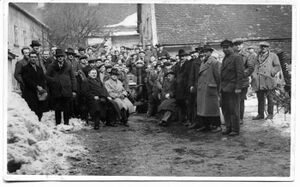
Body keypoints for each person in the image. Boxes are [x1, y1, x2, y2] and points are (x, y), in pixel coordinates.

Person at [45, 49, 77, 125]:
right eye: (58, 56)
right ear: (56, 57)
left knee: (67, 108)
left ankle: (66, 123)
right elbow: (46, 77)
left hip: (67, 90)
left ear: (64, 57)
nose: (60, 58)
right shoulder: (51, 66)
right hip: (56, 90)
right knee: (57, 108)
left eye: (62, 56)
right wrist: (54, 81)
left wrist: (74, 90)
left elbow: (73, 78)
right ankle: (58, 123)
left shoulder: (68, 65)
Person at [251, 41, 282, 120]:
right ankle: (260, 114)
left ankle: (270, 114)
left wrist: (273, 72)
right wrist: (253, 75)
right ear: (260, 48)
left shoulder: (273, 56)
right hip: (259, 81)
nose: (263, 48)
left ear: (268, 48)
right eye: (262, 46)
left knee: (270, 98)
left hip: (269, 80)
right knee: (260, 99)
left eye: (265, 47)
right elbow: (253, 67)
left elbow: (278, 66)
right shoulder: (257, 56)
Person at [220, 39, 244, 136]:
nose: (225, 49)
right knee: (225, 109)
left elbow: (240, 73)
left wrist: (238, 87)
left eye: (227, 47)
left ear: (231, 47)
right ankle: (228, 127)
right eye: (223, 48)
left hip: (233, 87)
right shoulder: (225, 58)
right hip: (224, 88)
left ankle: (235, 129)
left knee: (234, 109)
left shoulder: (237, 57)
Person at [195, 45, 222, 133]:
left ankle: (217, 125)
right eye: (203, 51)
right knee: (204, 108)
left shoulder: (214, 62)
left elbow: (218, 77)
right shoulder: (203, 62)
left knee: (213, 108)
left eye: (207, 51)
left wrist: (219, 88)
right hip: (203, 88)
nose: (204, 53)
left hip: (210, 88)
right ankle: (205, 125)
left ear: (210, 52)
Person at [233, 41, 255, 125]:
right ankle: (234, 118)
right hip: (233, 81)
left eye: (239, 45)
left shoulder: (246, 55)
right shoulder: (231, 55)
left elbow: (250, 68)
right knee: (233, 100)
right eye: (236, 45)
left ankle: (240, 118)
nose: (238, 46)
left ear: (242, 45)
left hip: (243, 82)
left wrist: (241, 74)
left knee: (241, 100)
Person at [22, 51, 47, 121]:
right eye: (32, 57)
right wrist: (36, 86)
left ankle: (39, 124)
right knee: (33, 110)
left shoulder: (39, 68)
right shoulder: (25, 68)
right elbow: (27, 80)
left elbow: (43, 79)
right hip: (30, 93)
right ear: (29, 58)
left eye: (35, 57)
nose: (33, 58)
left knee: (40, 110)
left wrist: (42, 87)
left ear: (36, 58)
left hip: (40, 93)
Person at [173, 49, 190, 124]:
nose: (182, 58)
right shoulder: (177, 65)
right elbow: (175, 74)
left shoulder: (188, 64)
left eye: (183, 56)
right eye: (181, 56)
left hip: (185, 86)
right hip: (178, 87)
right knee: (179, 103)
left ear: (186, 57)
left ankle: (187, 119)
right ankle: (181, 119)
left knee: (185, 104)